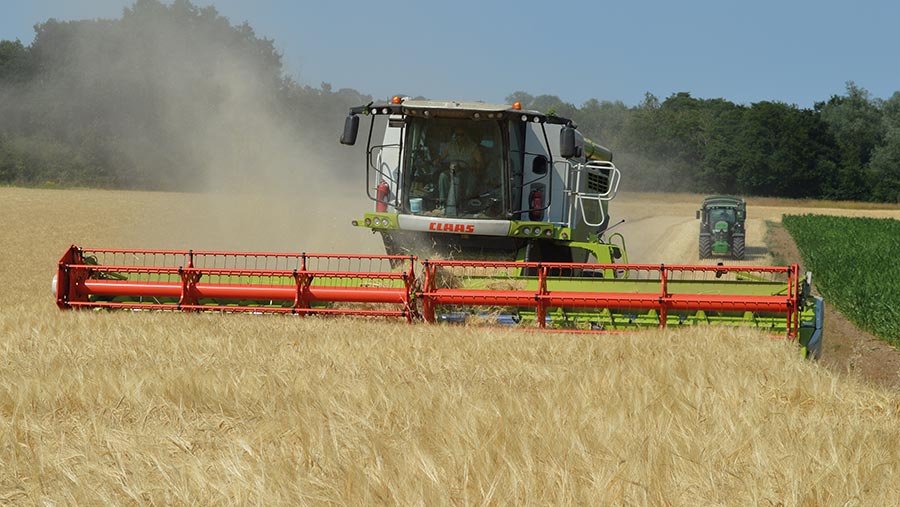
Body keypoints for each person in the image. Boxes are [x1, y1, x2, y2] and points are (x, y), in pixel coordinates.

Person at [437, 128, 484, 208]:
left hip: (468, 171)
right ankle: (442, 203)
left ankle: (466, 202)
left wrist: (475, 167)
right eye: (457, 135)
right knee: (443, 176)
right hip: (453, 171)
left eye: (462, 135)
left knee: (470, 178)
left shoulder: (473, 147)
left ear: (466, 136)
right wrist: (435, 161)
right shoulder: (449, 145)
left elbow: (480, 162)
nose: (459, 137)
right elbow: (441, 158)